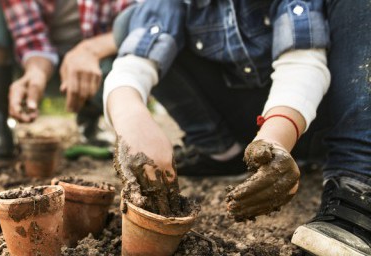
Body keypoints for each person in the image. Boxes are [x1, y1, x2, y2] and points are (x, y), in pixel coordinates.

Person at [106, 0, 370, 255]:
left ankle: (355, 180)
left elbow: (302, 64)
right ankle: (223, 153)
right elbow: (134, 64)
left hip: (319, 115)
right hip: (248, 123)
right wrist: (132, 118)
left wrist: (275, 138)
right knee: (130, 22)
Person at [0, 0, 134, 161]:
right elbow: (32, 39)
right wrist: (36, 72)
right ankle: (0, 125)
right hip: (30, 62)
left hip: (98, 65)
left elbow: (140, 21)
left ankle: (90, 120)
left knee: (136, 50)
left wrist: (89, 51)